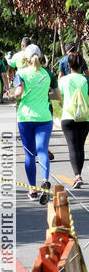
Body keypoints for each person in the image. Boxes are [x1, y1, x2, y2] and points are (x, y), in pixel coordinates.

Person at [12, 43, 59, 203]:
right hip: (44, 117)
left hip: (25, 118)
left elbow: (18, 92)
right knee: (42, 151)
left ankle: (32, 190)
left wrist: (13, 95)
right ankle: (45, 180)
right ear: (39, 56)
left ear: (26, 59)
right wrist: (44, 94)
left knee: (29, 154)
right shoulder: (48, 74)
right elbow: (57, 96)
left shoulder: (21, 73)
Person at [58, 50, 89, 189]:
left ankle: (77, 175)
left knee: (72, 147)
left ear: (69, 65)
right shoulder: (86, 80)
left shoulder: (64, 80)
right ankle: (79, 174)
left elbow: (59, 95)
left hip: (68, 117)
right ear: (82, 65)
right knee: (80, 147)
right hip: (84, 117)